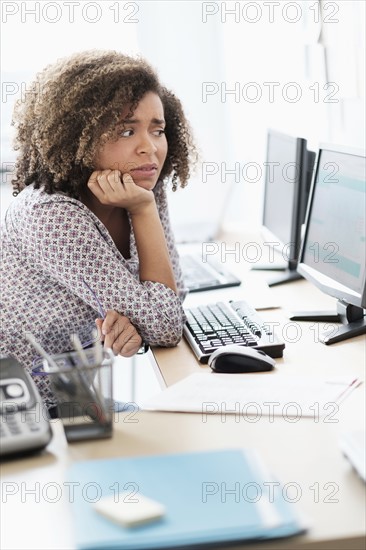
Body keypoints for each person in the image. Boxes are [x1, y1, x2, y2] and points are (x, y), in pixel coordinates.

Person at [0, 50, 197, 409]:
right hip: (19, 412)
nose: (149, 148)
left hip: (67, 399)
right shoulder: (52, 215)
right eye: (126, 130)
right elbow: (166, 322)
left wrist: (138, 323)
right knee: (173, 433)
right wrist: (146, 314)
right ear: (79, 136)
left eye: (158, 130)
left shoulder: (143, 187)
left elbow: (172, 299)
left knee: (182, 430)